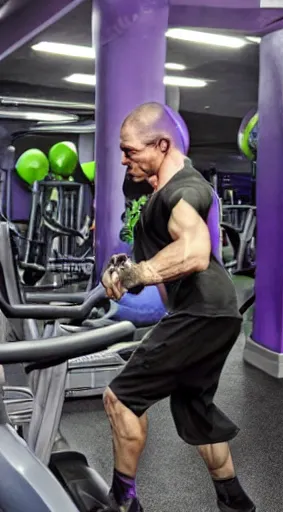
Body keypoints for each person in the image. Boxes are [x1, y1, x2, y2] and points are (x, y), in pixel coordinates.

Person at [100, 102, 256, 512]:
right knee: (193, 408)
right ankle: (235, 501)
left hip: (201, 312)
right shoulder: (157, 191)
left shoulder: (187, 190)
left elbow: (194, 251)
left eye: (130, 150)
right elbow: (163, 251)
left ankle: (123, 502)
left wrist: (136, 276)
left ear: (162, 145)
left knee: (121, 398)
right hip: (215, 313)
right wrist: (125, 266)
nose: (123, 159)